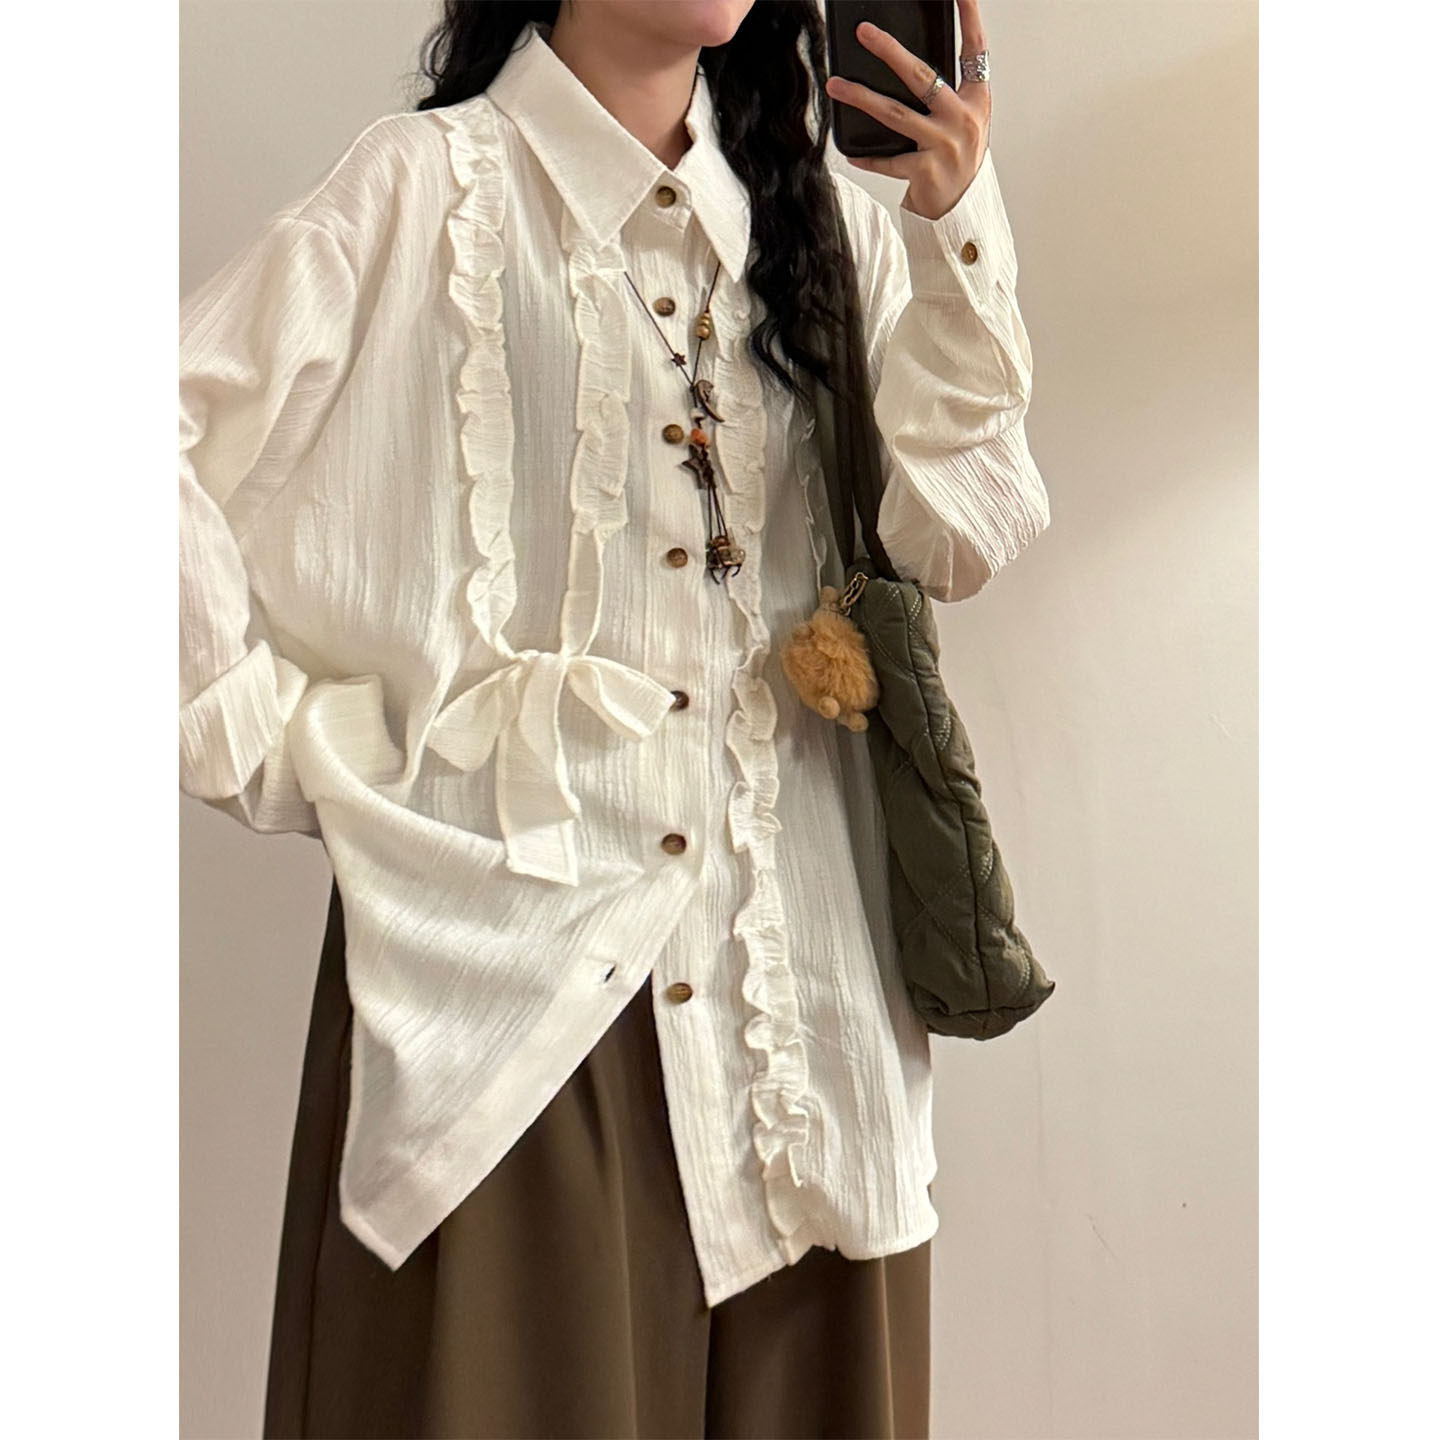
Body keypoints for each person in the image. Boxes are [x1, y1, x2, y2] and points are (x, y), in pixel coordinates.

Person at [179, 1, 1045, 1435]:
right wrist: (293, 748)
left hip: (801, 1032)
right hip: (510, 1027)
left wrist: (956, 225)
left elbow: (960, 534)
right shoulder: (426, 191)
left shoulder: (824, 224)